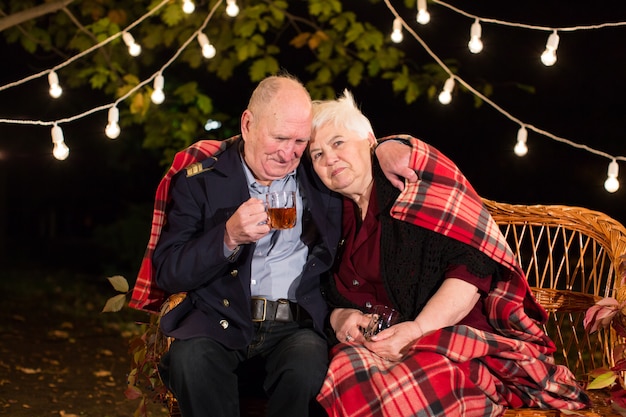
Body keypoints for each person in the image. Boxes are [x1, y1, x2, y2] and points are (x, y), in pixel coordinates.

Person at [137, 74, 413, 417]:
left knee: (307, 365)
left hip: (294, 328)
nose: (288, 153)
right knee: (190, 360)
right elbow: (168, 271)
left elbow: (356, 148)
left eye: (300, 140)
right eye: (280, 137)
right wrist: (227, 237)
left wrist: (388, 146)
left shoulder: (319, 178)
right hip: (220, 320)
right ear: (248, 124)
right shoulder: (202, 182)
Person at [307, 90, 591, 416]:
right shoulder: (331, 214)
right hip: (377, 347)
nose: (329, 158)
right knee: (343, 372)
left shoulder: (409, 188)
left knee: (407, 390)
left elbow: (472, 267)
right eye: (317, 154)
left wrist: (418, 329)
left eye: (338, 142)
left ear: (369, 139)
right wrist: (338, 316)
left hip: (447, 337)